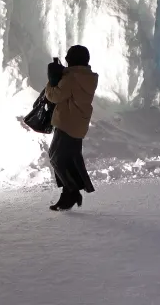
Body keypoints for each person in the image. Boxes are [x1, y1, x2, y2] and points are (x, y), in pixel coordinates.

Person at [44, 45, 99, 211]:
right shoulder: (88, 77)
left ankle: (73, 191)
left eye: (68, 57)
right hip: (79, 122)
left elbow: (54, 96)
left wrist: (52, 80)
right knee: (70, 158)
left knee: (56, 157)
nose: (66, 59)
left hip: (66, 122)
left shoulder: (71, 77)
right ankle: (68, 195)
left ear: (72, 60)